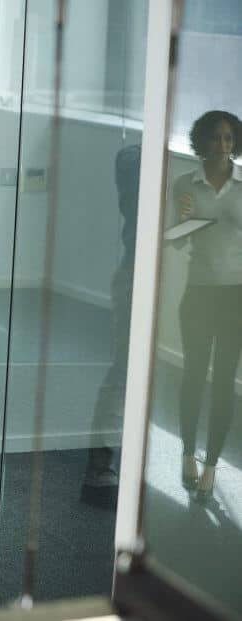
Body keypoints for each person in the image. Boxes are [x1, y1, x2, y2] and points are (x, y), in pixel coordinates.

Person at [171, 110, 242, 500]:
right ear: (203, 141)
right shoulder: (185, 183)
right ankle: (186, 453)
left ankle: (212, 464)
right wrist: (182, 218)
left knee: (224, 383)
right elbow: (176, 242)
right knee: (194, 377)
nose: (223, 146)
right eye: (216, 138)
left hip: (235, 296)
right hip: (198, 294)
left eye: (230, 139)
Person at [80, 143, 140, 509]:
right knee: (124, 371)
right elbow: (129, 162)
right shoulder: (135, 162)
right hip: (135, 279)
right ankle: (99, 466)